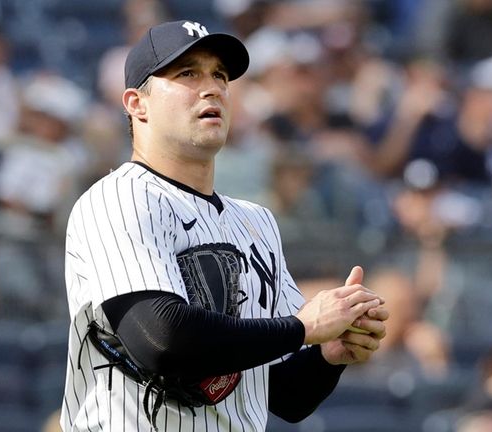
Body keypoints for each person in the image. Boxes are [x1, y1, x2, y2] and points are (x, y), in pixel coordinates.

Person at [61, 20, 389, 431]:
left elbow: (283, 394)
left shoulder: (256, 221)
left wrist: (327, 355)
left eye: (220, 75)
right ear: (136, 103)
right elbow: (161, 340)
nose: (212, 86)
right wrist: (304, 328)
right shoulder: (118, 197)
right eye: (187, 73)